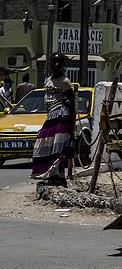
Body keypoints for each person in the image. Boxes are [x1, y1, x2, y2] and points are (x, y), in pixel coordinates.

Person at [30, 53, 76, 186]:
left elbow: (72, 103)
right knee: (45, 144)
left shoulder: (65, 82)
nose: (56, 65)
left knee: (58, 146)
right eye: (54, 63)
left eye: (59, 63)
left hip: (61, 115)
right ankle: (51, 174)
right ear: (50, 64)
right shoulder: (48, 80)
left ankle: (58, 176)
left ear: (62, 65)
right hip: (51, 115)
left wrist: (71, 125)